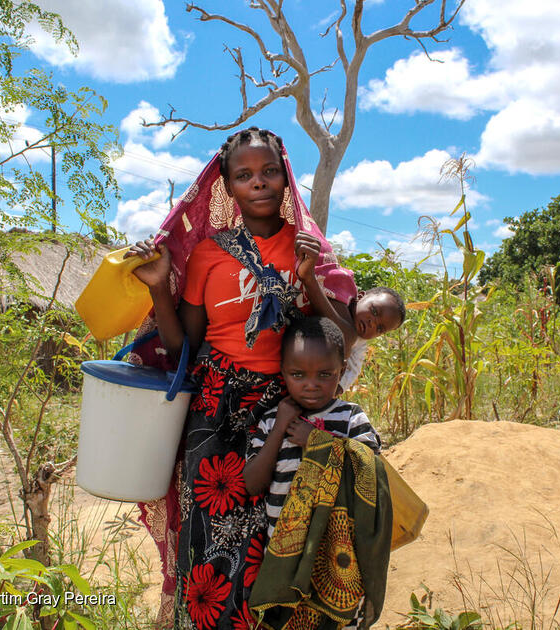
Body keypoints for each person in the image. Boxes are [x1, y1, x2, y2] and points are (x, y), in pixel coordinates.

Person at [125, 127, 357, 630]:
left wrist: (309, 277)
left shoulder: (308, 251)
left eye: (269, 171)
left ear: (285, 176)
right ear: (226, 188)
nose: (259, 183)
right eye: (244, 175)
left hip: (283, 409)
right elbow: (182, 346)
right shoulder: (208, 254)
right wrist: (160, 286)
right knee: (207, 538)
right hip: (212, 414)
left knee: (277, 535)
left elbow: (343, 338)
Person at [243, 316, 392, 629]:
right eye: (298, 374)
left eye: (324, 374)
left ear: (341, 371)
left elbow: (372, 472)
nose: (311, 384)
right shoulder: (271, 422)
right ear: (282, 372)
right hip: (284, 552)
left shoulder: (351, 418)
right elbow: (253, 483)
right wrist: (281, 423)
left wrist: (317, 441)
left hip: (341, 554)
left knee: (337, 618)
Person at [294, 231, 406, 392]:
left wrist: (337, 388)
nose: (372, 323)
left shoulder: (358, 342)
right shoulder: (340, 290)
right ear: (360, 296)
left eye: (380, 328)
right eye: (374, 311)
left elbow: (353, 369)